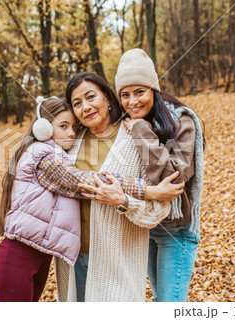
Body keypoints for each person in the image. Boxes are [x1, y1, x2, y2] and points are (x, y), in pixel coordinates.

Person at [0, 96, 180, 302]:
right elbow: (85, 181)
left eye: (73, 126)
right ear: (43, 129)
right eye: (63, 126)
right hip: (18, 257)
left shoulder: (57, 152)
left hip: (37, 256)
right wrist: (150, 191)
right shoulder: (44, 156)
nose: (71, 132)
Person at [54, 72, 184, 302]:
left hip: (118, 263)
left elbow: (159, 210)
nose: (85, 107)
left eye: (91, 97)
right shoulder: (69, 142)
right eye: (77, 103)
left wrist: (124, 201)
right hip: (73, 260)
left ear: (106, 97)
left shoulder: (135, 137)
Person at [115, 48, 205, 302]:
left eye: (139, 92)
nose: (132, 102)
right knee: (159, 298)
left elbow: (176, 177)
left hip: (177, 228)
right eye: (125, 95)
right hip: (146, 224)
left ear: (153, 88)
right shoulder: (127, 122)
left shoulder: (181, 120)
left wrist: (142, 131)